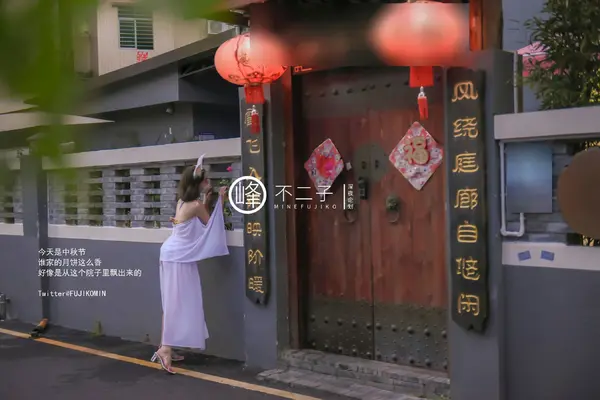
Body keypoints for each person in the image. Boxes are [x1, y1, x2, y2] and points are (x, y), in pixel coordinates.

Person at [151, 155, 229, 374]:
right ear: (198, 183)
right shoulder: (195, 205)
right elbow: (210, 225)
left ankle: (166, 345)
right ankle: (165, 349)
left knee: (172, 301)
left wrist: (207, 200)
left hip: (172, 253)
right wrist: (221, 200)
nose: (208, 182)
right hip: (178, 257)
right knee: (176, 302)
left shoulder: (183, 202)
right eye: (205, 180)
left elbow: (196, 219)